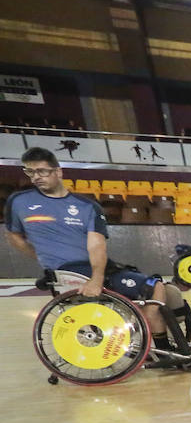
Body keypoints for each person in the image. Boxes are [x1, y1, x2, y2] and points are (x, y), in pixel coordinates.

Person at [5, 146, 171, 343]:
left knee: (164, 292)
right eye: (29, 172)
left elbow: (96, 247)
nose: (36, 177)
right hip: (73, 273)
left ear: (58, 171)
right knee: (155, 286)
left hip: (94, 268)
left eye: (42, 171)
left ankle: (141, 328)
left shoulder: (86, 206)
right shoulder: (19, 202)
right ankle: (160, 343)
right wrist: (42, 256)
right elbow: (14, 235)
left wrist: (96, 277)